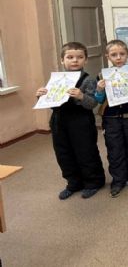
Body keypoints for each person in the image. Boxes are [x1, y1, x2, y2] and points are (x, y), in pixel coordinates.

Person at [36, 42, 105, 200]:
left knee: (86, 152)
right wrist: (41, 96)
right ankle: (73, 183)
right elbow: (52, 103)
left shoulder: (88, 80)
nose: (75, 60)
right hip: (59, 121)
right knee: (63, 153)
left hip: (81, 121)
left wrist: (81, 96)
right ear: (62, 60)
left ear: (85, 60)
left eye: (79, 57)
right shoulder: (57, 80)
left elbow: (92, 104)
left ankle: (93, 182)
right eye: (70, 57)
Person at [95, 40, 128, 197]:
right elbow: (98, 99)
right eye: (114, 55)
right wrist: (99, 89)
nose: (118, 58)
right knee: (114, 149)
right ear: (107, 56)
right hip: (111, 118)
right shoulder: (102, 75)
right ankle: (118, 180)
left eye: (122, 54)